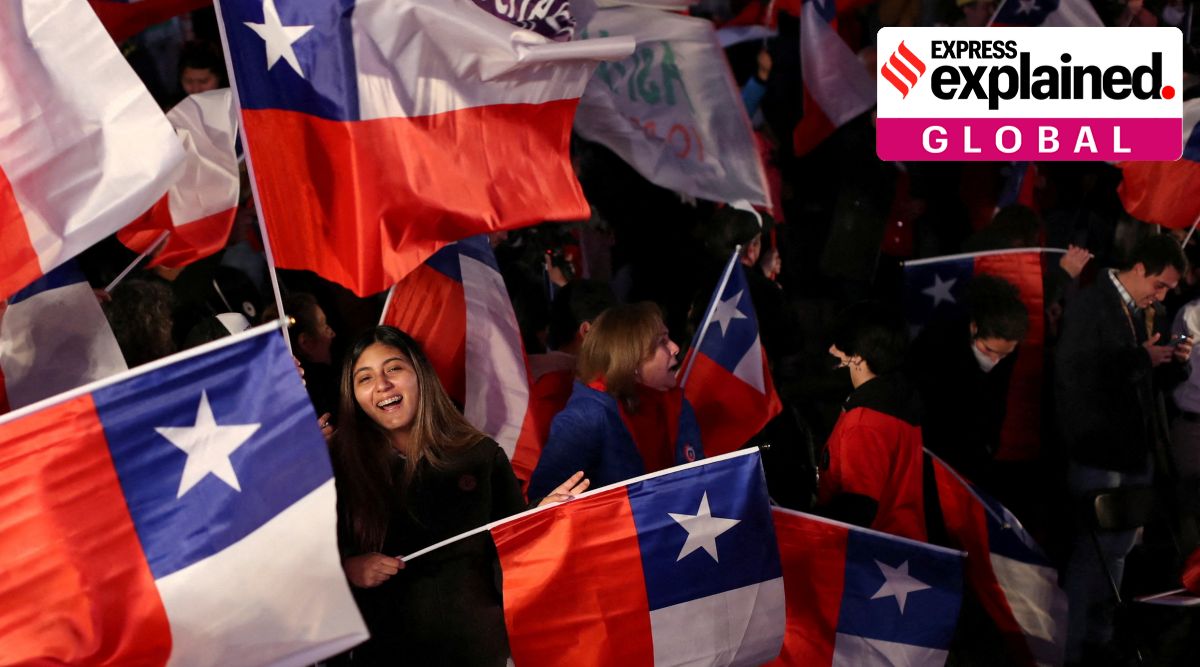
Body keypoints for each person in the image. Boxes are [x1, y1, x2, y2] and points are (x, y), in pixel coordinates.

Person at [332, 326, 585, 665]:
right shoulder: (336, 466)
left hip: (475, 648)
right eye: (364, 378)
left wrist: (539, 517)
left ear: (419, 374)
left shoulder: (480, 455)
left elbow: (510, 552)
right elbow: (299, 563)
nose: (382, 384)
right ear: (354, 396)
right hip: (384, 652)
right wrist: (347, 567)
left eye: (393, 368)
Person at [1056, 234, 1192, 664]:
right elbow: (1079, 377)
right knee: (1093, 552)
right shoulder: (1091, 304)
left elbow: (1145, 383)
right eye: (1161, 284)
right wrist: (1141, 359)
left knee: (1120, 551)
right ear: (1138, 269)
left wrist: (1174, 362)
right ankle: (1073, 648)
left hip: (1136, 452)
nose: (1164, 294)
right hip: (1100, 452)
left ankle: (1101, 638)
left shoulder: (1145, 312)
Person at [527, 302, 703, 499]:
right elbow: (543, 503)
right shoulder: (586, 418)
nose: (675, 348)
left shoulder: (677, 406)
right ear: (631, 358)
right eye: (662, 342)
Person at [816, 302, 927, 542]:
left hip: (874, 555)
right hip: (903, 543)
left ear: (858, 356)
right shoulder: (898, 398)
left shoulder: (865, 423)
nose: (834, 349)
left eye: (842, 345)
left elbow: (858, 508)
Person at [910, 274, 1030, 484]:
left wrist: (989, 445)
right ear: (974, 327)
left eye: (1004, 355)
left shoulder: (1007, 346)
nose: (995, 360)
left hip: (976, 450)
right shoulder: (937, 343)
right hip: (932, 445)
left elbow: (996, 398)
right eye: (989, 350)